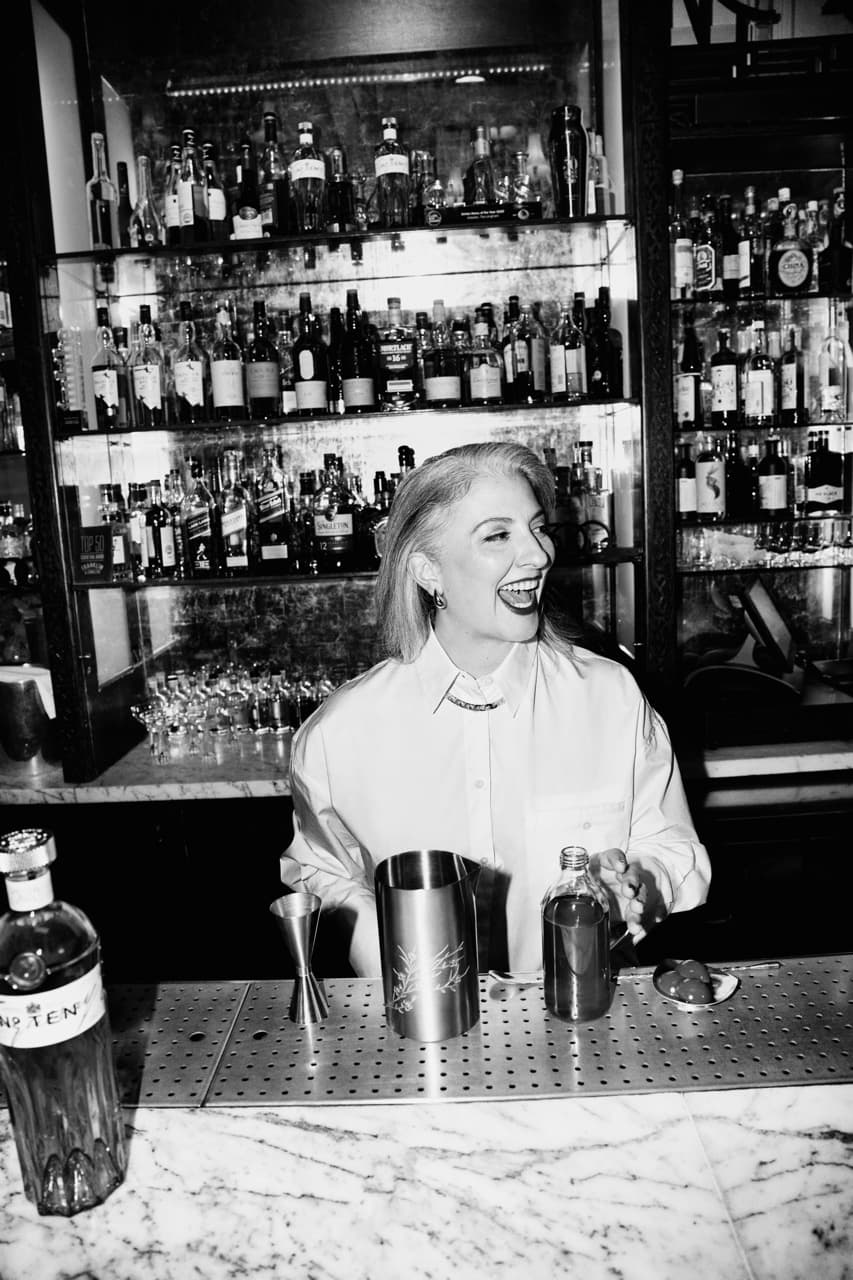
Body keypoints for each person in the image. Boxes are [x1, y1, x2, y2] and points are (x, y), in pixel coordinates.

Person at [281, 441, 710, 976]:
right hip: (421, 1033)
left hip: (585, 1015)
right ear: (426, 570)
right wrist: (384, 947)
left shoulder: (610, 696)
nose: (538, 555)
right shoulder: (338, 734)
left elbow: (669, 845)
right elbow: (318, 871)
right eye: (498, 535)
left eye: (538, 528)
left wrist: (638, 885)